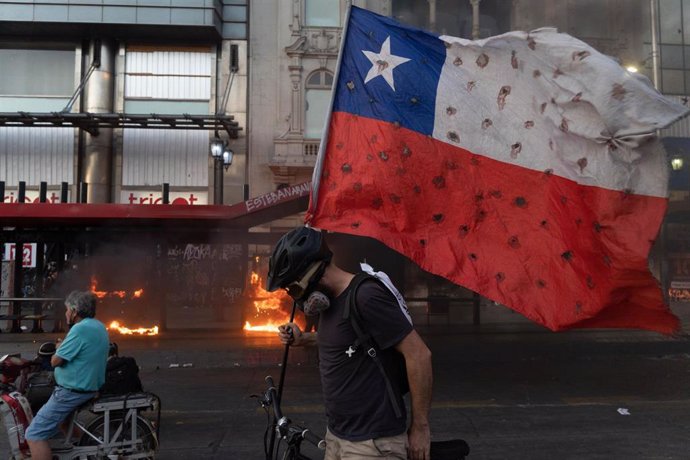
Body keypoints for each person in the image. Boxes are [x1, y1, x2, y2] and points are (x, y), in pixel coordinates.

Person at [268, 226, 433, 460]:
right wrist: (303, 339)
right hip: (337, 437)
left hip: (371, 444)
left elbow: (419, 354)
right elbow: (350, 340)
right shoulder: (331, 301)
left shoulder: (366, 296)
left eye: (295, 288)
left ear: (313, 272)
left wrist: (420, 429)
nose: (296, 298)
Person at [26, 290, 109, 460]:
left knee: (34, 434)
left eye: (66, 310)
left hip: (72, 391)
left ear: (74, 311)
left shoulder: (80, 329)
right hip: (90, 385)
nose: (65, 313)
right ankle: (84, 449)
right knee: (64, 422)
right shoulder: (98, 326)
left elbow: (55, 361)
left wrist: (58, 348)